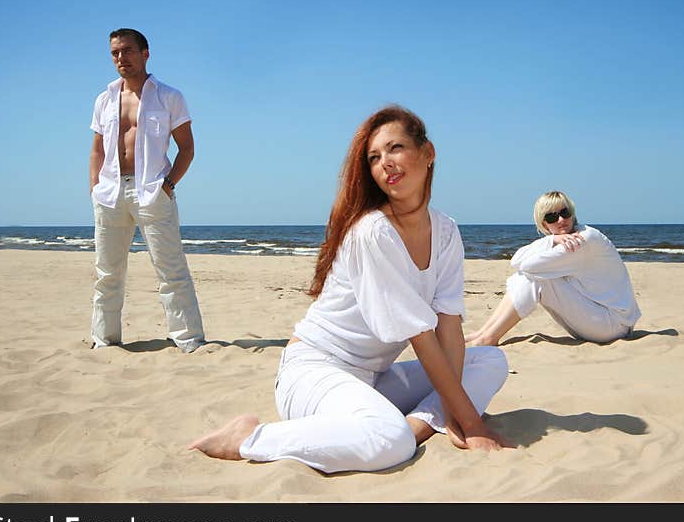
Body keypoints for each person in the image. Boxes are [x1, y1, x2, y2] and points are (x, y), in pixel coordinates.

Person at [190, 105, 511, 472]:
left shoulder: (447, 231)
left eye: (395, 148)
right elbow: (422, 338)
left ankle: (415, 426)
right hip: (314, 372)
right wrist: (472, 422)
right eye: (374, 158)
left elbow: (449, 327)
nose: (385, 163)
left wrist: (465, 417)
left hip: (374, 378)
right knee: (389, 442)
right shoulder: (372, 232)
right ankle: (249, 438)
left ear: (428, 153)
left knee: (489, 360)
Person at [88, 28, 205, 353]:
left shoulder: (169, 96)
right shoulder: (104, 99)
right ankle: (104, 340)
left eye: (127, 51)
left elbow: (187, 149)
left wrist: (167, 186)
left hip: (152, 191)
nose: (121, 58)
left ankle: (188, 339)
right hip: (110, 193)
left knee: (171, 269)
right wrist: (95, 188)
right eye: (115, 53)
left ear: (145, 53)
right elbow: (97, 149)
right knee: (107, 273)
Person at [465, 190, 640, 347]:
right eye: (552, 217)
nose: (561, 220)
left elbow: (525, 265)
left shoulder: (583, 239)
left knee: (534, 278)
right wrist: (551, 240)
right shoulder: (565, 239)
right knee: (529, 275)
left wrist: (551, 241)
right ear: (544, 224)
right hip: (600, 317)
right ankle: (485, 333)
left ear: (572, 213)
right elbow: (516, 260)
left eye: (565, 213)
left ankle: (488, 337)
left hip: (613, 325)